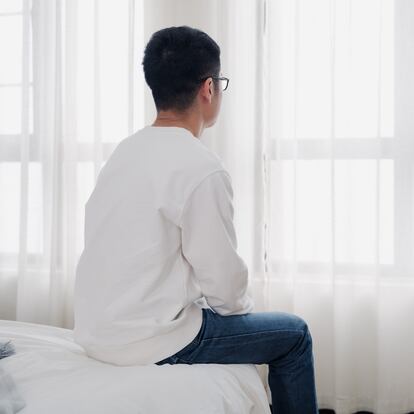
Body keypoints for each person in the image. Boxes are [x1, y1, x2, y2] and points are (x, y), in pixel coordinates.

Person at [73, 25, 318, 414]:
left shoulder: (125, 152)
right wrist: (239, 315)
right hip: (151, 340)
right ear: (208, 89)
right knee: (294, 335)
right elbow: (225, 290)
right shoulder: (201, 167)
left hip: (95, 331)